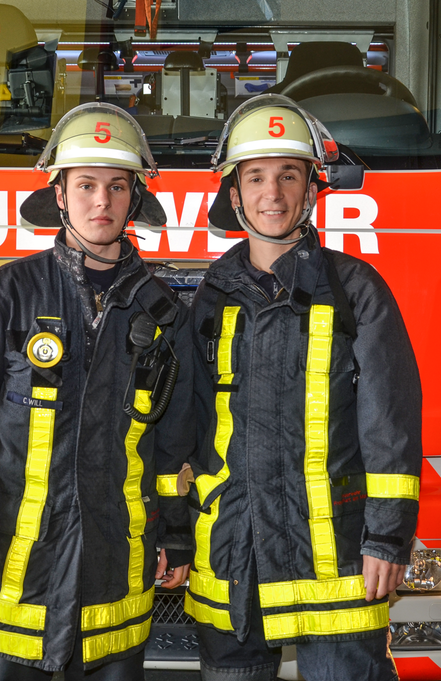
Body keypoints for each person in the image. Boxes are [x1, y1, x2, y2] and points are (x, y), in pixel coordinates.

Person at [0, 103, 194, 680]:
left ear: (134, 200)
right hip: (18, 566)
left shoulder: (163, 310)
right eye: (87, 185)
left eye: (117, 186)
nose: (102, 201)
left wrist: (176, 532)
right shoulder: (10, 291)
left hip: (115, 568)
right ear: (61, 196)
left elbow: (172, 444)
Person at [184, 94, 422, 681]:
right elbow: (189, 425)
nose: (273, 193)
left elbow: (390, 422)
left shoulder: (355, 288)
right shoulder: (212, 293)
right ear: (234, 195)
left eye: (288, 175)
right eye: (256, 177)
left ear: (312, 189)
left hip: (335, 561)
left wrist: (387, 539)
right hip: (234, 557)